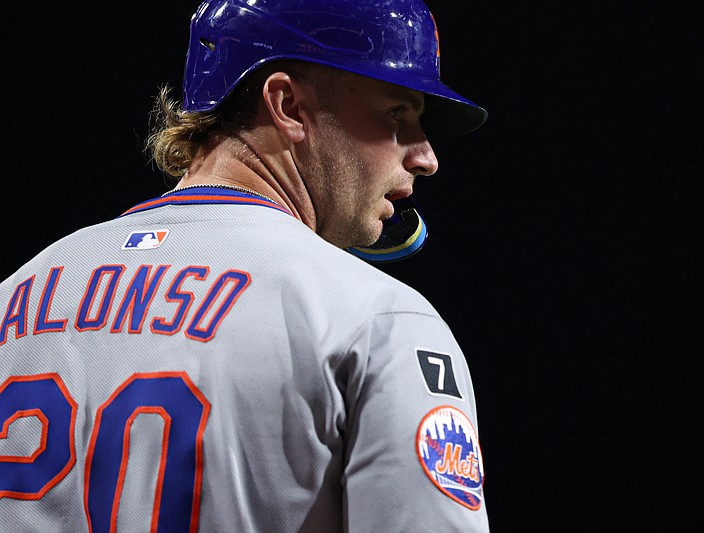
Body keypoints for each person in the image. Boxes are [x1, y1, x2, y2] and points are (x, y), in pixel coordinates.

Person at [0, 0, 489, 531]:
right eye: (397, 112)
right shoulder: (378, 318)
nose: (425, 156)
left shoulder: (17, 293)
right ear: (287, 104)